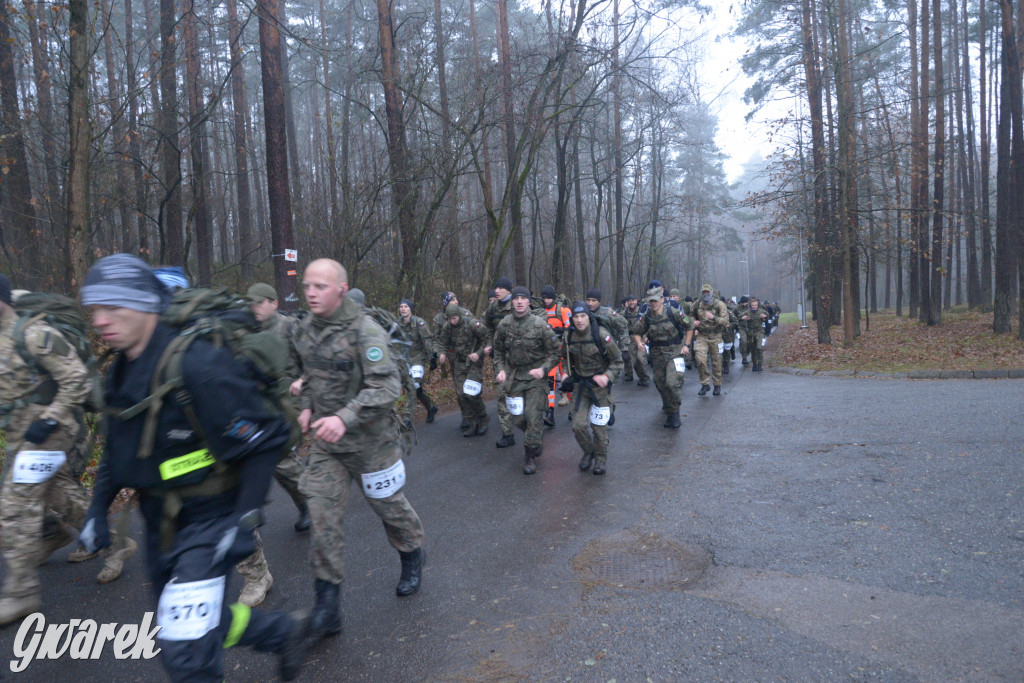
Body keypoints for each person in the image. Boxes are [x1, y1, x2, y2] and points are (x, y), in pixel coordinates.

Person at [78, 255, 307, 681]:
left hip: (208, 518)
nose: (101, 320)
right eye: (95, 309)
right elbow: (116, 451)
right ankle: (281, 631)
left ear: (146, 304)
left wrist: (244, 519)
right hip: (158, 520)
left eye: (113, 307)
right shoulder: (120, 372)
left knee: (185, 657)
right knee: (194, 626)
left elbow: (266, 437)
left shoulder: (197, 365)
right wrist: (96, 510)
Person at [292, 259, 426, 640]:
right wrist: (305, 408)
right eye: (307, 286)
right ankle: (327, 610)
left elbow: (387, 388)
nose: (312, 293)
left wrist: (345, 416)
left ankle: (412, 553)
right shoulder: (305, 330)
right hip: (327, 445)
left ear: (341, 288)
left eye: (320, 286)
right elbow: (305, 375)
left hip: (372, 444)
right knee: (321, 517)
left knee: (390, 509)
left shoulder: (365, 331)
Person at [0, 277, 133, 625]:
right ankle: (114, 543)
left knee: (14, 506)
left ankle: (21, 593)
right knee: (61, 497)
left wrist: (50, 418)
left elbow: (76, 377)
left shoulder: (33, 333)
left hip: (50, 434)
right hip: (21, 437)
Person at [230, 283, 308, 609]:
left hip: (286, 402)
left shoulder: (291, 327)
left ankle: (309, 503)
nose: (254, 308)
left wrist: (303, 383)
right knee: (275, 465)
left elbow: (311, 359)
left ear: (273, 302)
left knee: (287, 467)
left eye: (259, 303)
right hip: (257, 408)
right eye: (250, 303)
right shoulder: (245, 329)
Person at [492, 286, 561, 474]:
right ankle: (536, 436)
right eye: (516, 298)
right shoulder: (505, 324)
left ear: (529, 301)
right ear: (512, 302)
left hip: (534, 378)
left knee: (532, 415)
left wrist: (544, 369)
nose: (520, 301)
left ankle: (530, 456)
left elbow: (556, 350)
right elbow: (497, 350)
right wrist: (500, 370)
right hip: (514, 377)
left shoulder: (540, 324)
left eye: (524, 298)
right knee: (517, 418)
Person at [560, 301, 623, 475]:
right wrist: (564, 374)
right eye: (576, 317)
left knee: (598, 427)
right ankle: (589, 451)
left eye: (583, 316)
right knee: (578, 425)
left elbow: (618, 361)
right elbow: (565, 359)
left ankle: (601, 459)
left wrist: (606, 376)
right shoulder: (568, 336)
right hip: (581, 386)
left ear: (589, 316)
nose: (579, 320)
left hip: (600, 388)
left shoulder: (601, 335)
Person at [631, 285, 693, 428]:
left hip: (675, 352)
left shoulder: (673, 313)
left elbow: (690, 326)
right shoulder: (647, 317)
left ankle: (675, 412)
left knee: (672, 384)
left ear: (662, 299)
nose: (653, 304)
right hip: (657, 354)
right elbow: (636, 332)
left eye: (655, 300)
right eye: (650, 301)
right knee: (660, 383)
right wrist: (639, 342)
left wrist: (687, 345)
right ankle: (668, 406)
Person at [436, 302, 489, 437]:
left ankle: (483, 418)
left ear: (459, 316)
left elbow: (487, 339)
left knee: (471, 393)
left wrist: (478, 353)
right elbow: (441, 342)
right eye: (450, 319)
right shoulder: (448, 327)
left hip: (474, 363)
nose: (452, 321)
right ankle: (472, 422)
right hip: (459, 362)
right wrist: (441, 353)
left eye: (454, 318)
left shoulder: (471, 324)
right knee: (461, 395)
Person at [483, 277, 515, 448]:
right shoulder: (493, 308)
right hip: (501, 358)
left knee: (525, 394)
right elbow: (488, 327)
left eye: (501, 287)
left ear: (509, 290)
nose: (497, 290)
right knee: (502, 394)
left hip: (520, 359)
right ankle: (507, 433)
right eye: (496, 287)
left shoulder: (518, 305)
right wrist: (489, 344)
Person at [397, 298, 439, 427]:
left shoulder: (419, 323)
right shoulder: (397, 324)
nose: (403, 309)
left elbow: (428, 341)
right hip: (405, 361)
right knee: (417, 389)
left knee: (413, 386)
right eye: (401, 307)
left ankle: (407, 418)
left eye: (406, 307)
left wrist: (432, 358)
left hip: (418, 359)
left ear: (411, 309)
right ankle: (431, 407)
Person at [689, 283, 730, 396]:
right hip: (702, 335)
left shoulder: (719, 304)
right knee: (700, 359)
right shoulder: (696, 304)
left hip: (716, 336)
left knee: (717, 362)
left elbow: (726, 321)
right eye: (704, 292)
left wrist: (714, 317)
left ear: (711, 293)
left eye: (708, 292)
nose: (706, 294)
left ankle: (717, 385)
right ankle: (705, 384)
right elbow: (690, 315)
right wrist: (693, 321)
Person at [540, 285, 570, 423]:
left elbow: (571, 329)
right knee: (550, 381)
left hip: (565, 352)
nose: (546, 300)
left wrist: (560, 330)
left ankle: (574, 408)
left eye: (548, 297)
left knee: (567, 380)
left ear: (554, 297)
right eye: (544, 297)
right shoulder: (540, 312)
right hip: (550, 352)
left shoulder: (563, 310)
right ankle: (550, 411)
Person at [618, 294, 650, 386]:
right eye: (629, 301)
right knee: (634, 360)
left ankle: (646, 377)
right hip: (630, 338)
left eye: (633, 300)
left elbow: (648, 323)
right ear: (627, 302)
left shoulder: (642, 311)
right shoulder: (624, 313)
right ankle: (641, 378)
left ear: (636, 301)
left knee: (641, 357)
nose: (631, 303)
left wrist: (648, 335)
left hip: (641, 337)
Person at [738, 296, 769, 371]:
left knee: (759, 347)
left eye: (755, 305)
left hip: (759, 331)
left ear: (757, 305)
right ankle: (754, 364)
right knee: (753, 349)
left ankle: (760, 364)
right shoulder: (748, 312)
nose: (754, 307)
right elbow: (739, 317)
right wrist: (743, 318)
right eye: (753, 305)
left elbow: (768, 315)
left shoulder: (761, 311)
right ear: (750, 305)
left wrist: (765, 316)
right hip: (751, 333)